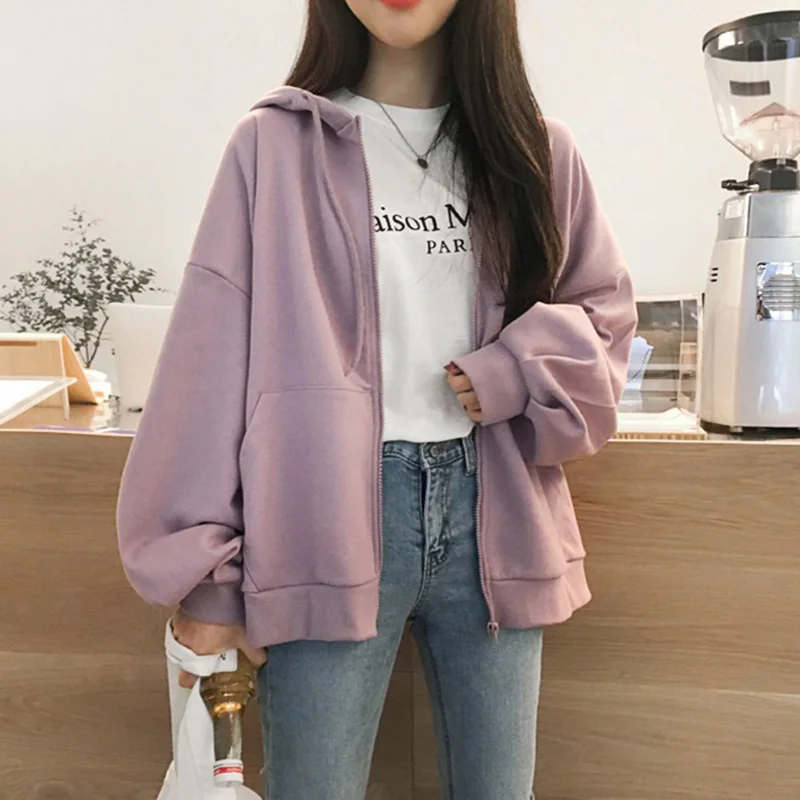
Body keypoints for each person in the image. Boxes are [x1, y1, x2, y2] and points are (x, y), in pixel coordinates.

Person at [117, 0, 637, 797]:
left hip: (499, 511)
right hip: (319, 520)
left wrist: (512, 369)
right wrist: (208, 574)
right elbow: (209, 361)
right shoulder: (273, 147)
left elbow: (606, 323)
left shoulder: (536, 150)